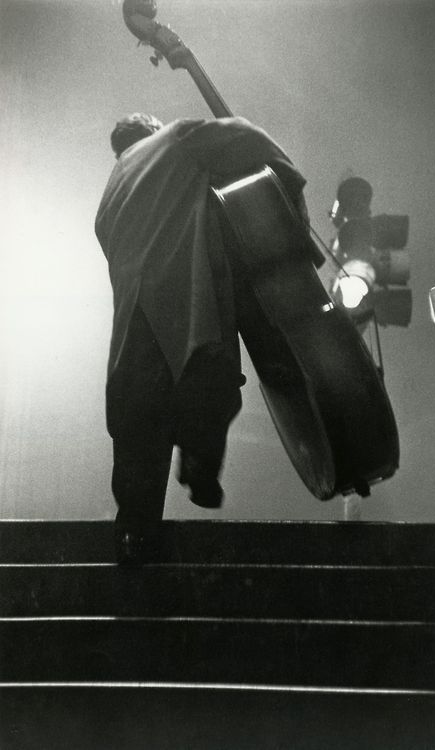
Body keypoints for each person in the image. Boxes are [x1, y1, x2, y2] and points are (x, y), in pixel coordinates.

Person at [95, 112, 309, 563]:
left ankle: (135, 540)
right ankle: (198, 462)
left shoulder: (109, 196)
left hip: (133, 330)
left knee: (138, 435)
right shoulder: (177, 137)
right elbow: (250, 135)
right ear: (152, 130)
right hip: (185, 304)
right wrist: (289, 196)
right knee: (209, 389)